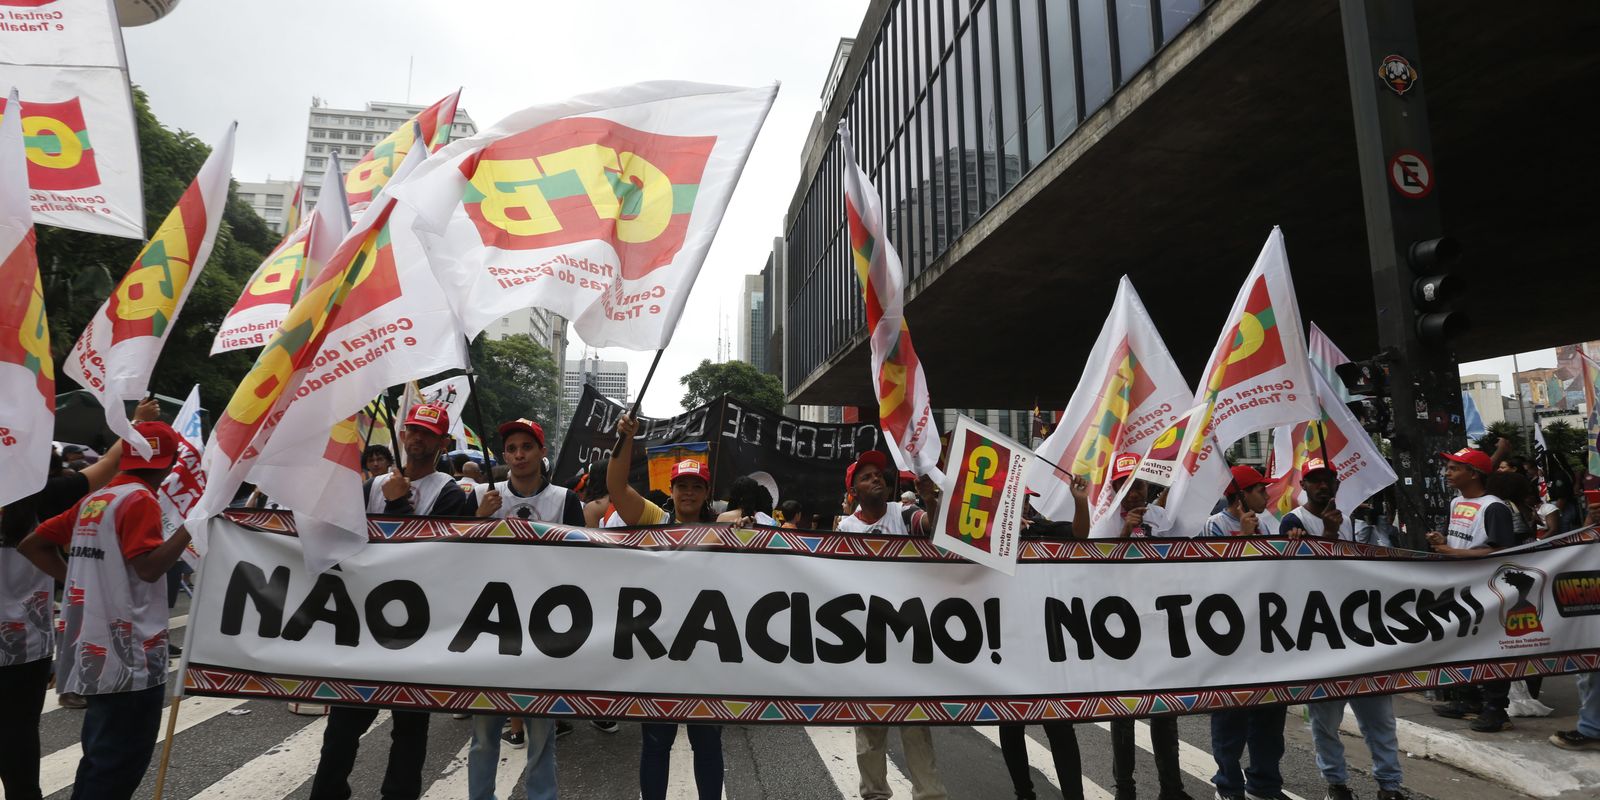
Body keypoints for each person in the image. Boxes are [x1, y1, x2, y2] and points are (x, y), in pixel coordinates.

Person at [17, 420, 194, 800]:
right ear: (170, 461)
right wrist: (191, 528)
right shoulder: (140, 499)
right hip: (130, 654)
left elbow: (32, 545)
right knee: (119, 762)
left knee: (100, 755)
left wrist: (82, 584)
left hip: (91, 648)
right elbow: (148, 567)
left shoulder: (97, 498)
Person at [308, 403, 473, 800]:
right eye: (413, 430)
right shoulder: (369, 486)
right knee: (343, 727)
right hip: (361, 627)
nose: (418, 438)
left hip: (417, 631)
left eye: (428, 434)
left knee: (410, 730)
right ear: (402, 434)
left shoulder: (450, 494)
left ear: (442, 443)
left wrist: (399, 505)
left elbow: (434, 556)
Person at [1, 401, 157, 800]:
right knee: (18, 732)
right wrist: (136, 425)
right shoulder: (46, 494)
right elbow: (110, 465)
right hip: (23, 642)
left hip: (26, 644)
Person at [463, 417, 592, 800]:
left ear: (541, 452)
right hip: (489, 630)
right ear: (504, 455)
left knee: (542, 734)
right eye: (512, 449)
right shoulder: (484, 496)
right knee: (484, 735)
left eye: (527, 447)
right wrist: (478, 518)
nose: (519, 455)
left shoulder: (564, 500)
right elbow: (454, 558)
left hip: (543, 634)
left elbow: (582, 565)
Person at [608, 413, 724, 800]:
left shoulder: (723, 536)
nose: (688, 492)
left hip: (707, 657)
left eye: (696, 486)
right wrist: (625, 440)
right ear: (670, 490)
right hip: (658, 653)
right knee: (656, 744)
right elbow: (616, 486)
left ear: (705, 493)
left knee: (707, 745)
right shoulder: (655, 521)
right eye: (681, 486)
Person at [834, 450, 949, 800]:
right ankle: (874, 793)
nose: (877, 479)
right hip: (868, 644)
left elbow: (933, 526)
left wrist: (929, 498)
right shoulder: (846, 529)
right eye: (867, 476)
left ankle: (929, 794)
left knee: (916, 728)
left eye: (879, 474)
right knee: (869, 732)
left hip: (909, 641)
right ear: (854, 490)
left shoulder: (905, 513)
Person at [1001, 475, 1093, 800]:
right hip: (1009, 645)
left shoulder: (1046, 529)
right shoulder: (992, 537)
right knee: (1011, 725)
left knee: (1059, 725)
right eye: (1018, 499)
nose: (1024, 505)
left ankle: (1074, 795)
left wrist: (1080, 501)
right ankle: (1024, 793)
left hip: (1048, 646)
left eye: (1028, 500)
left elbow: (1080, 533)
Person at [1206, 466, 1288, 800]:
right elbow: (1212, 579)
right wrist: (1242, 537)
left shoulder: (1268, 522)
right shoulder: (1215, 526)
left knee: (1270, 715)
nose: (1266, 494)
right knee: (1230, 717)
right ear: (1240, 496)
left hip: (1266, 633)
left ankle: (1263, 784)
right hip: (1230, 639)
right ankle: (1228, 785)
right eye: (1259, 489)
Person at [1424, 447, 1518, 733]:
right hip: (1460, 585)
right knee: (1461, 640)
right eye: (1448, 468)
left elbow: (1501, 551)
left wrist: (1452, 552)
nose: (1447, 473)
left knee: (1491, 646)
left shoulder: (1494, 507)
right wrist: (1445, 542)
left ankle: (1496, 708)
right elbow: (1464, 540)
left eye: (1454, 468)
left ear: (1473, 474)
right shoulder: (1456, 503)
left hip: (1488, 588)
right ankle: (1468, 698)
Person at [1278, 459, 1353, 541]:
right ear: (1303, 485)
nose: (1323, 486)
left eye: (1328, 480)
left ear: (1337, 484)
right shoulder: (1292, 521)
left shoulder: (1346, 520)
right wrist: (1329, 533)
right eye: (1315, 480)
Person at [1206, 465, 1272, 537]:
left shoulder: (1261, 525)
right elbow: (1212, 549)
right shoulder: (1214, 524)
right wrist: (1244, 535)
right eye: (1261, 491)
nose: (1267, 497)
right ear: (1242, 495)